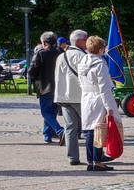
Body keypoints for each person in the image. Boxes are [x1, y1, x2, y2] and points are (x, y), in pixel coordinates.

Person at [78, 35, 121, 171]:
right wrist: (109, 107)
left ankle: (90, 161)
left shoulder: (82, 61)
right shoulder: (100, 64)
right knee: (99, 130)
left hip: (86, 97)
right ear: (101, 49)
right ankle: (97, 161)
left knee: (90, 131)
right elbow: (104, 88)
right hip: (98, 98)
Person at [55, 29, 88, 166]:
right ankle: (97, 155)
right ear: (79, 41)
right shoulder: (82, 56)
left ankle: (72, 157)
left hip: (64, 97)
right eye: (86, 40)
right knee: (91, 127)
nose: (87, 42)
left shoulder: (61, 56)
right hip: (79, 96)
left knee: (70, 128)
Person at [27, 32, 65, 144]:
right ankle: (47, 135)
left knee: (46, 112)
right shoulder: (61, 53)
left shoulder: (41, 54)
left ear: (44, 42)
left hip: (44, 87)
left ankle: (60, 131)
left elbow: (31, 71)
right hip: (58, 87)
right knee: (52, 112)